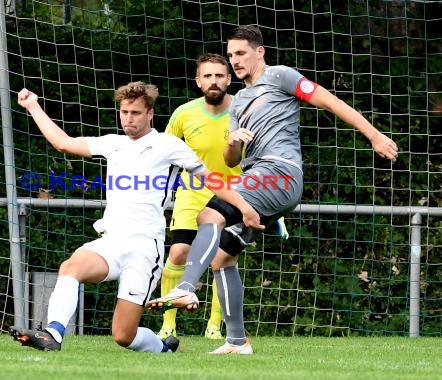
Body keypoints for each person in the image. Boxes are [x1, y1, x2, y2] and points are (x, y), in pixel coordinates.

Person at [147, 25, 399, 354]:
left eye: (241, 54)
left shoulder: (280, 76)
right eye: (231, 55)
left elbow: (331, 102)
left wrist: (375, 136)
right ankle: (237, 341)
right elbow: (231, 157)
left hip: (279, 173)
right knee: (222, 258)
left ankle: (184, 286)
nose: (235, 61)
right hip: (260, 178)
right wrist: (233, 144)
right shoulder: (237, 104)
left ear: (259, 52)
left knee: (209, 212)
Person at [9, 81, 260, 353]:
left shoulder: (167, 145)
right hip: (111, 241)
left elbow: (212, 180)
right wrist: (32, 105)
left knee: (123, 335)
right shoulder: (112, 143)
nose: (128, 118)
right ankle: (52, 334)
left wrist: (244, 207)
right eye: (124, 112)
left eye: (136, 113)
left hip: (144, 249)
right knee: (71, 267)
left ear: (150, 114)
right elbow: (62, 143)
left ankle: (163, 348)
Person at [159, 53, 289, 340]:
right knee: (178, 252)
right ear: (198, 81)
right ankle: (168, 323)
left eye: (219, 75)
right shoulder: (183, 114)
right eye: (208, 76)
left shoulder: (247, 109)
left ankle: (214, 328)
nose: (214, 81)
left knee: (222, 259)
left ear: (229, 79)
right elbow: (163, 152)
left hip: (234, 195)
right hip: (192, 194)